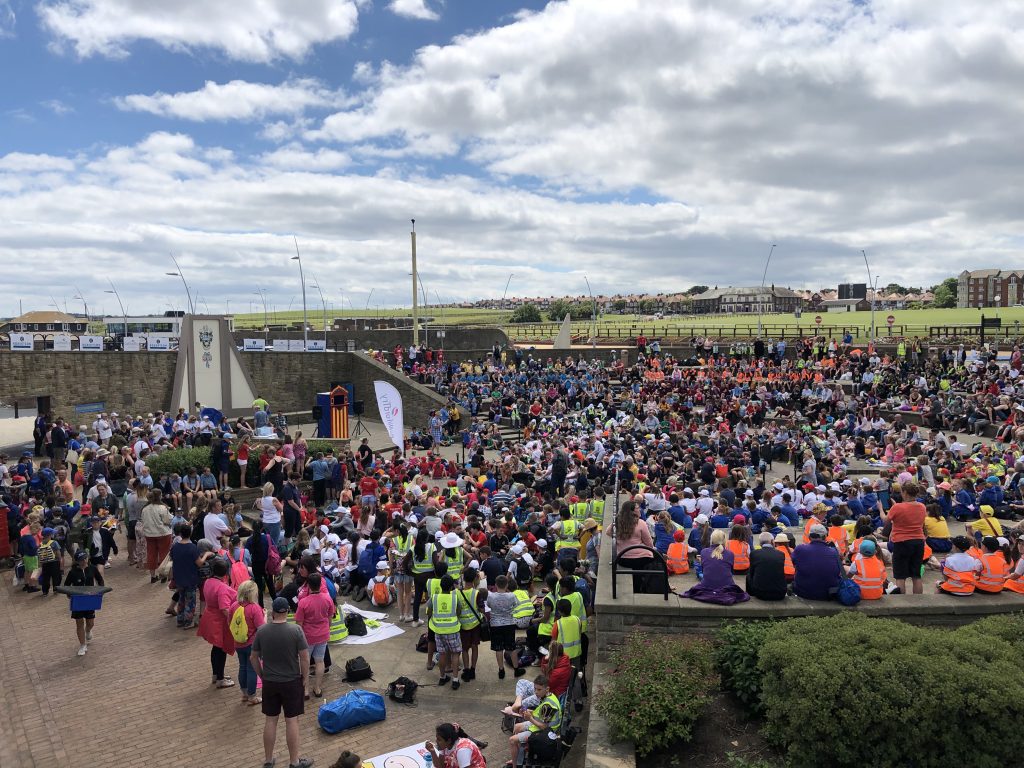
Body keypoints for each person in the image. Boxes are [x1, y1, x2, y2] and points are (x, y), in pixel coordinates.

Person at [251, 596, 313, 768]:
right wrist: (305, 677)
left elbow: (253, 657)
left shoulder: (262, 631)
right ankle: (294, 761)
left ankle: (268, 760)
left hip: (270, 681)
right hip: (291, 681)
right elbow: (304, 658)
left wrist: (262, 675)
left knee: (270, 720)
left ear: (272, 613)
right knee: (292, 720)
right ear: (287, 611)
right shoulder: (296, 631)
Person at [196, 558, 237, 688]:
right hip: (219, 622)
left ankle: (216, 674)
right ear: (226, 573)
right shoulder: (222, 588)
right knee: (221, 650)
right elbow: (224, 609)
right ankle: (220, 679)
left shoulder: (208, 581)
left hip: (210, 618)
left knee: (216, 649)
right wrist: (234, 620)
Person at [294, 571, 335, 700]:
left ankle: (305, 689)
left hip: (308, 636)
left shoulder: (303, 602)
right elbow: (330, 618)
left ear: (309, 586)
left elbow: (299, 623)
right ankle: (317, 688)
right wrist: (327, 629)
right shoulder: (327, 599)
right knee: (320, 661)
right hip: (323, 635)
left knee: (305, 662)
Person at [682, 529, 749, 604]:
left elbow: (704, 570)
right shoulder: (730, 554)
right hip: (727, 585)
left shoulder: (704, 552)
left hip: (707, 585)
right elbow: (731, 571)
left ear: (712, 540)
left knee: (702, 576)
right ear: (724, 540)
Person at [508, 674, 561, 766]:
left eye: (539, 689)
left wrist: (530, 718)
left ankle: (514, 765)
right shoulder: (548, 696)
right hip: (540, 725)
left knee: (512, 740)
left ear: (547, 689)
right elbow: (542, 714)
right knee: (516, 727)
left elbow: (544, 727)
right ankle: (517, 757)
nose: (536, 692)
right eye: (535, 689)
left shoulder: (549, 705)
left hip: (546, 733)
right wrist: (530, 712)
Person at [883, 481, 927, 594]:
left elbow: (885, 520)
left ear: (905, 492)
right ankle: (918, 599)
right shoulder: (922, 506)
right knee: (916, 575)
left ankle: (902, 601)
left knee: (900, 576)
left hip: (901, 542)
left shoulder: (897, 507)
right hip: (918, 542)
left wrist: (879, 508)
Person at [231, 579, 267, 705]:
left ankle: (244, 693)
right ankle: (252, 696)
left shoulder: (234, 606)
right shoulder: (254, 608)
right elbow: (261, 628)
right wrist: (265, 617)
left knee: (242, 667)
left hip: (238, 642)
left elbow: (230, 623)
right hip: (252, 644)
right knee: (252, 668)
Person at [64, 550, 104, 656]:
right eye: (81, 560)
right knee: (79, 623)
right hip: (78, 600)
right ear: (77, 561)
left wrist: (100, 591)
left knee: (90, 623)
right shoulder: (72, 572)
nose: (84, 561)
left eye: (85, 558)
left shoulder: (92, 569)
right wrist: (69, 595)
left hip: (90, 599)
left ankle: (88, 631)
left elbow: (100, 580)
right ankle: (82, 645)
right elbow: (66, 585)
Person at [429, 574, 464, 689]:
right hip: (453, 629)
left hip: (438, 630)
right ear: (451, 587)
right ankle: (455, 679)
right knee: (455, 653)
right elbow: (459, 611)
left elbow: (429, 610)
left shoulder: (434, 597)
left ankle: (442, 677)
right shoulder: (454, 598)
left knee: (442, 653)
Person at [487, 574, 524, 680]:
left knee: (498, 648)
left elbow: (489, 605)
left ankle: (501, 670)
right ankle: (516, 670)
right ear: (507, 584)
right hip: (509, 624)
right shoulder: (511, 595)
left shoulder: (491, 596)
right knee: (511, 647)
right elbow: (516, 605)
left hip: (495, 624)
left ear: (495, 585)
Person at [791, 524, 842, 601]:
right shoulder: (834, 552)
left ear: (809, 536)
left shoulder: (800, 548)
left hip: (804, 593)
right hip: (828, 594)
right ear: (825, 537)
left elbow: (794, 564)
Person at [170, 522, 202, 627]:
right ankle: (188, 621)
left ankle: (180, 619)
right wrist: (206, 555)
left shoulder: (175, 547)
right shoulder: (192, 547)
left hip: (179, 577)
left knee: (181, 599)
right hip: (190, 578)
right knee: (190, 600)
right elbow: (199, 563)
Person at [140, 489, 173, 583]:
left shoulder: (144, 509)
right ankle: (163, 575)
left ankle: (153, 576)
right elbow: (167, 520)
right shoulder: (162, 507)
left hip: (149, 534)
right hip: (163, 533)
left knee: (151, 554)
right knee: (164, 554)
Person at [745, 531, 787, 601]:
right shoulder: (781, 554)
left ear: (760, 543)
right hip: (780, 593)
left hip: (759, 593)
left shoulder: (754, 554)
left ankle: (750, 595)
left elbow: (752, 573)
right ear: (772, 541)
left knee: (749, 574)